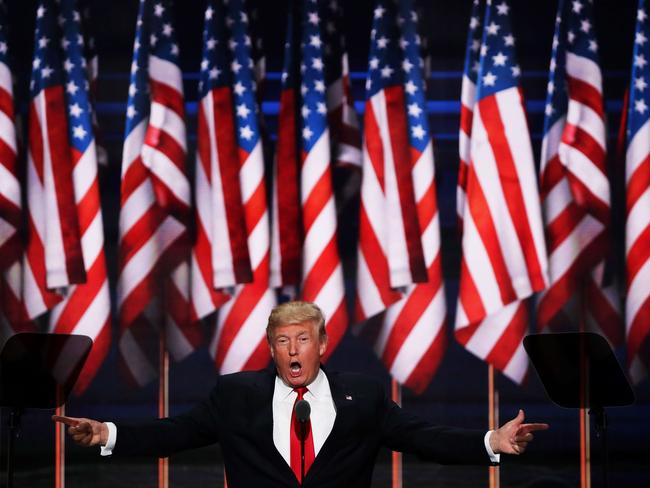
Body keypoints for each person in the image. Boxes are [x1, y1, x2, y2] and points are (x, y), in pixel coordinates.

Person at [54, 301, 549, 488]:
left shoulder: (363, 395)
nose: (293, 350)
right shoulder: (235, 395)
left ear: (323, 345)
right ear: (271, 348)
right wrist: (107, 433)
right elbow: (175, 433)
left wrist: (491, 441)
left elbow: (423, 438)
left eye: (303, 339)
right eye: (282, 341)